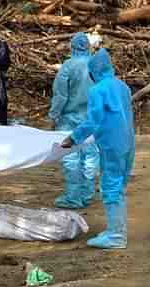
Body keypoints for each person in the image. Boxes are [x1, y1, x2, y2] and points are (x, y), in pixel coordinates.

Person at [61, 49, 135, 249]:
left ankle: (117, 236)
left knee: (111, 188)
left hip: (111, 143)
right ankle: (115, 229)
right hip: (128, 141)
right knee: (118, 186)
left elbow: (93, 120)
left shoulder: (98, 90)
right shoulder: (123, 86)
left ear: (94, 71)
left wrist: (73, 138)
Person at [49, 32, 99, 209]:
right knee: (91, 155)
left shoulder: (68, 66)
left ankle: (73, 197)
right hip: (93, 119)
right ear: (88, 47)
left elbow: (60, 95)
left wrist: (54, 115)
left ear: (72, 47)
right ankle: (87, 195)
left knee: (70, 156)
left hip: (69, 119)